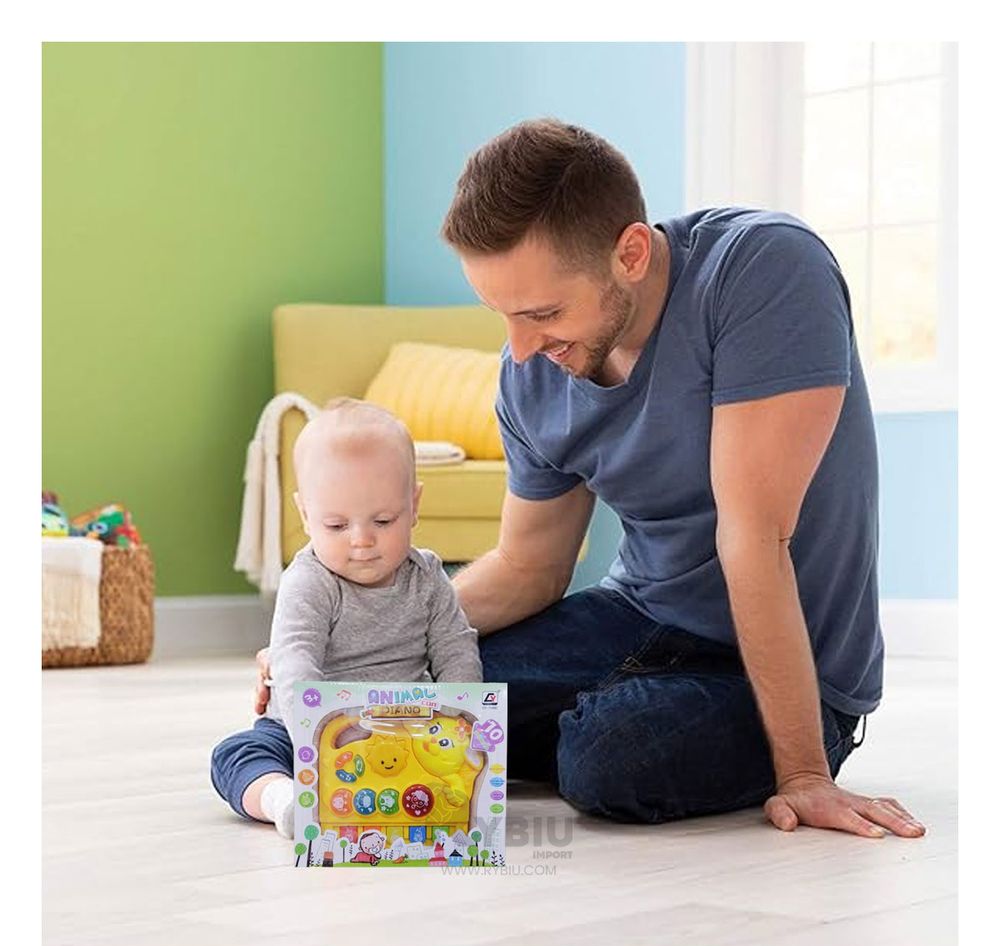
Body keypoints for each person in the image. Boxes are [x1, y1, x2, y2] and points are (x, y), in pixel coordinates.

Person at [255, 118, 925, 841]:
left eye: (542, 313)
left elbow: (754, 539)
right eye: (502, 315)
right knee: (419, 691)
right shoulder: (530, 373)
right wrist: (358, 643)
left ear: (630, 254)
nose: (520, 350)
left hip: (794, 667)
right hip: (635, 619)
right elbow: (528, 567)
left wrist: (804, 775)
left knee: (609, 761)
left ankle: (607, 733)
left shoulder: (764, 271)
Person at [212, 399, 482, 838]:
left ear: (414, 505)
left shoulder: (428, 577)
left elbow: (457, 650)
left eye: (383, 520)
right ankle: (286, 801)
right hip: (311, 736)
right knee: (237, 754)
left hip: (405, 731)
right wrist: (323, 735)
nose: (362, 540)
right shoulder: (308, 581)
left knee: (454, 769)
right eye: (337, 526)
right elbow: (295, 666)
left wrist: (458, 724)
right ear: (305, 515)